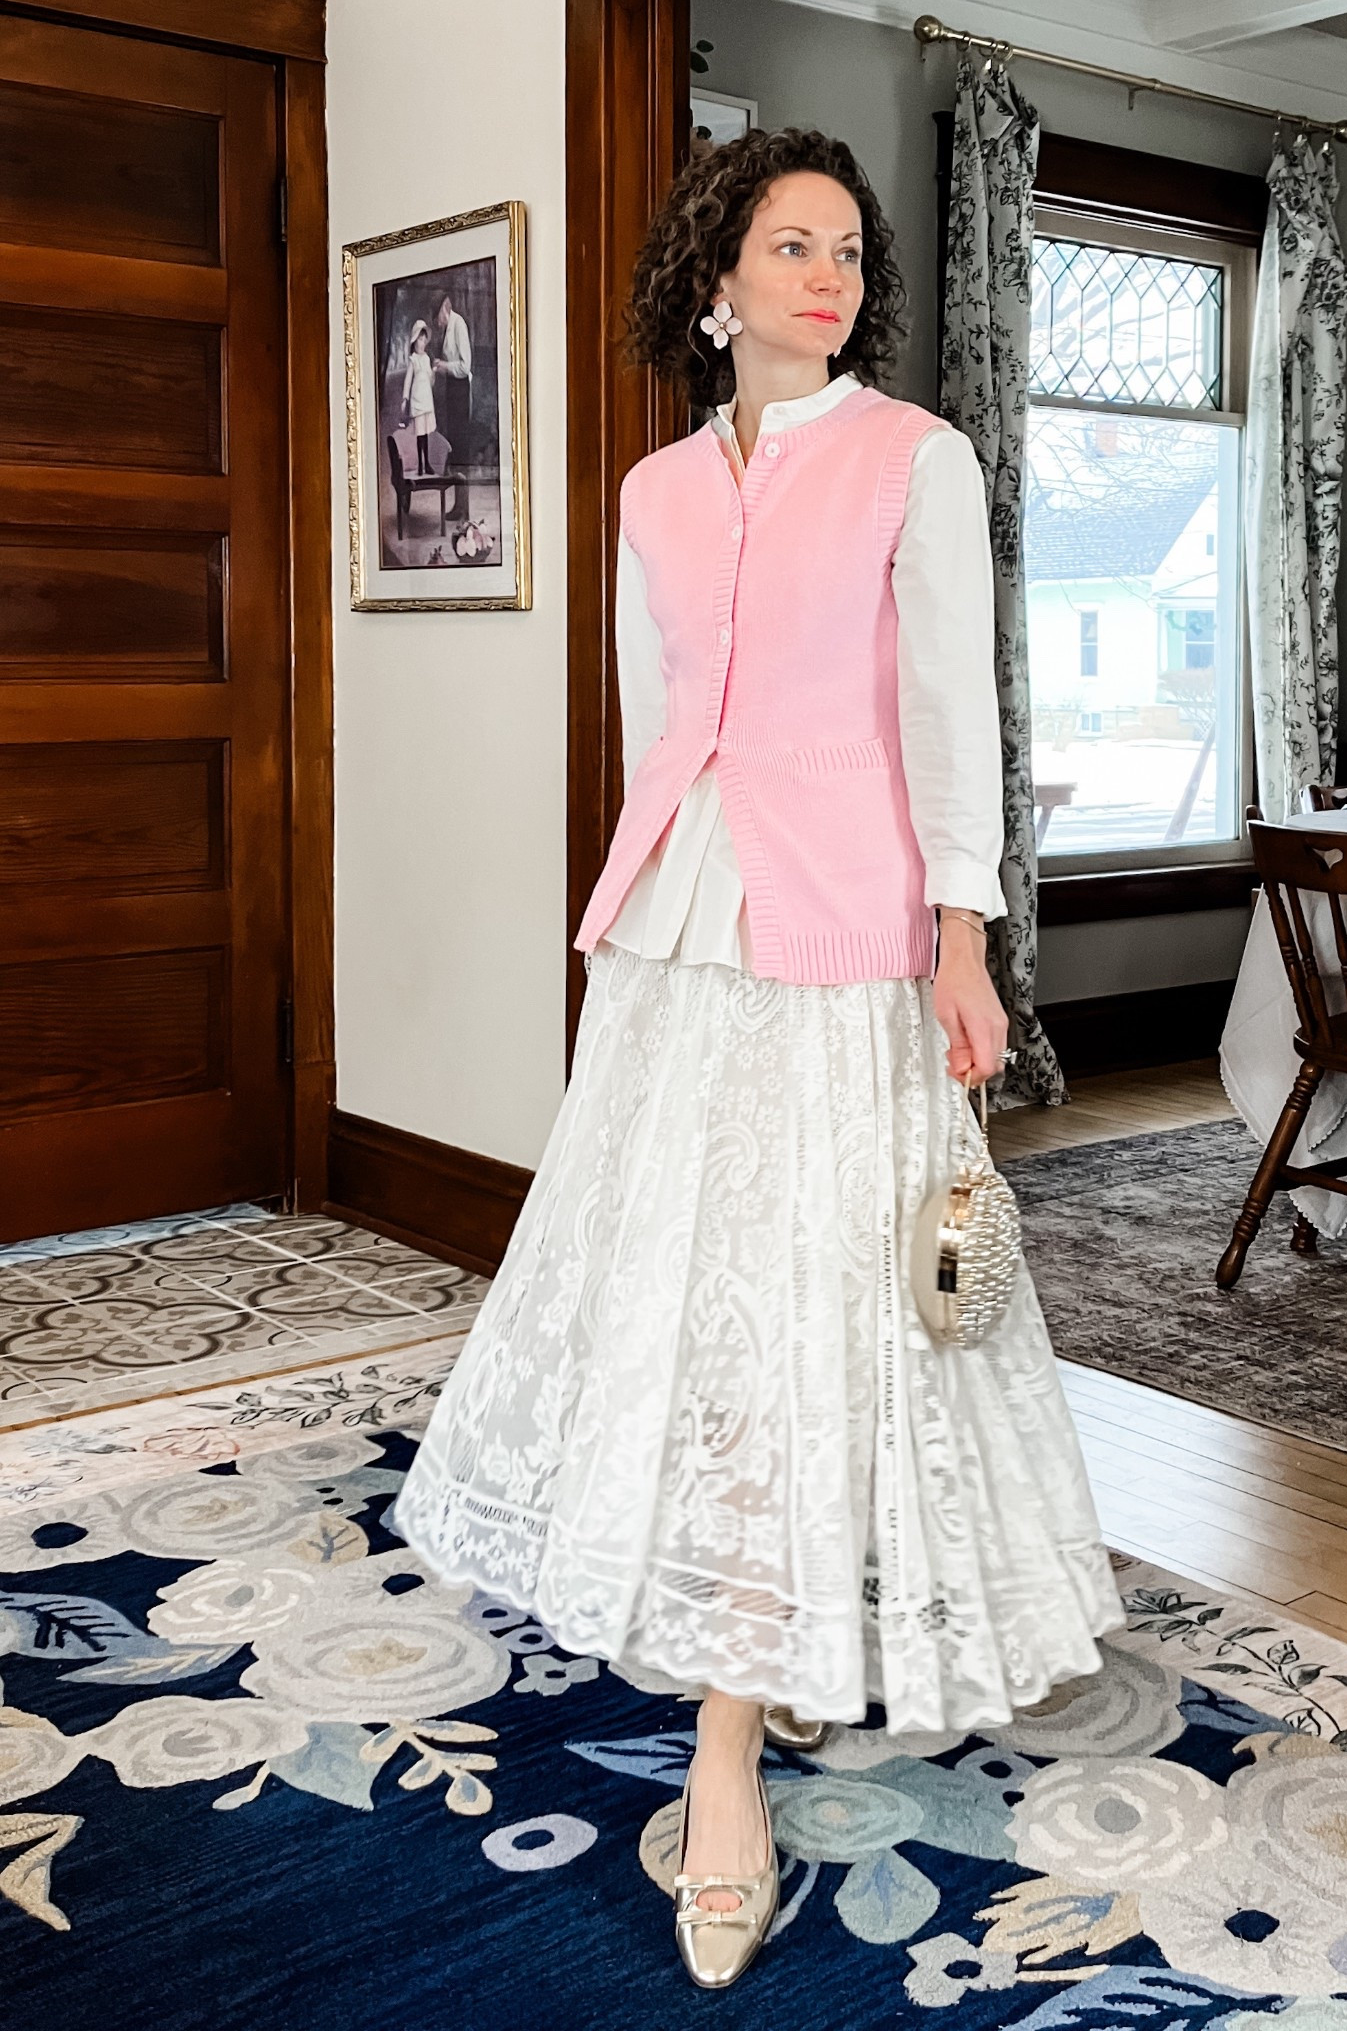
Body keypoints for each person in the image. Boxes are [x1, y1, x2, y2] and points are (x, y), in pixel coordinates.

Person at [391, 126, 1124, 1990]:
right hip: (677, 932)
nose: (828, 274)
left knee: (822, 1301)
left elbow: (957, 713)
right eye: (788, 245)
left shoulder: (913, 461)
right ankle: (757, 1642)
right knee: (686, 1286)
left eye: (850, 251)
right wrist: (635, 926)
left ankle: (728, 1741)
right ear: (714, 279)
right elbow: (659, 733)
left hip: (848, 934)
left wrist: (966, 941)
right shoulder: (647, 491)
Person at [432, 289, 472, 521]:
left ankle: (463, 507)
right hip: (452, 391)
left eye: (438, 316)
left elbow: (465, 367)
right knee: (454, 449)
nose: (438, 322)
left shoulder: (459, 325)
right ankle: (459, 506)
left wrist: (444, 366)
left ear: (444, 310)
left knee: (461, 450)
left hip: (460, 391)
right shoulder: (448, 328)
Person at [399, 319, 436, 477]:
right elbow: (408, 381)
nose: (422, 343)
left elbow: (430, 380)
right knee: (420, 433)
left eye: (424, 340)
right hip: (417, 400)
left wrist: (433, 371)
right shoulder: (413, 360)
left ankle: (426, 463)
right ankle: (420, 465)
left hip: (427, 400)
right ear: (414, 342)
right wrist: (405, 398)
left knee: (425, 433)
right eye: (419, 340)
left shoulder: (426, 358)